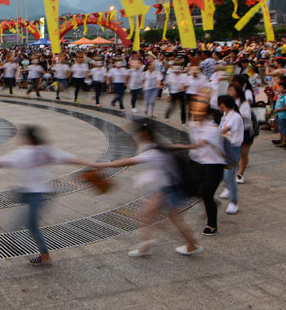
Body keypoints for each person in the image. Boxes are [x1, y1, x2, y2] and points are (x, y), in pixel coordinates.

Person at [0, 125, 99, 266]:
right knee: (22, 217)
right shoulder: (47, 151)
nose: (21, 140)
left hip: (36, 194)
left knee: (31, 225)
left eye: (22, 137)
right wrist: (95, 165)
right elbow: (71, 159)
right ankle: (18, 232)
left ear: (29, 138)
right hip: (41, 191)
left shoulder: (23, 153)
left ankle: (44, 256)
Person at [92, 121, 202, 257]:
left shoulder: (153, 153)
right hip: (166, 188)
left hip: (172, 189)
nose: (135, 136)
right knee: (147, 214)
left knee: (169, 217)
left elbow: (129, 161)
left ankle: (191, 244)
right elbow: (174, 148)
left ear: (144, 134)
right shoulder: (157, 147)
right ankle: (147, 245)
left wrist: (102, 165)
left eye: (136, 133)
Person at [171, 90, 225, 236]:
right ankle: (210, 200)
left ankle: (212, 224)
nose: (194, 113)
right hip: (196, 162)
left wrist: (181, 147)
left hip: (213, 165)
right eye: (192, 110)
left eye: (197, 111)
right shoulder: (194, 124)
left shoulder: (212, 128)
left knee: (207, 194)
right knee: (191, 189)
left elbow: (200, 143)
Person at [217, 94, 243, 216]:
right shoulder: (226, 115)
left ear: (223, 105)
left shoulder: (235, 117)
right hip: (224, 147)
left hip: (232, 148)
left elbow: (225, 129)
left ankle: (234, 202)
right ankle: (228, 189)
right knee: (224, 174)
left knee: (230, 175)